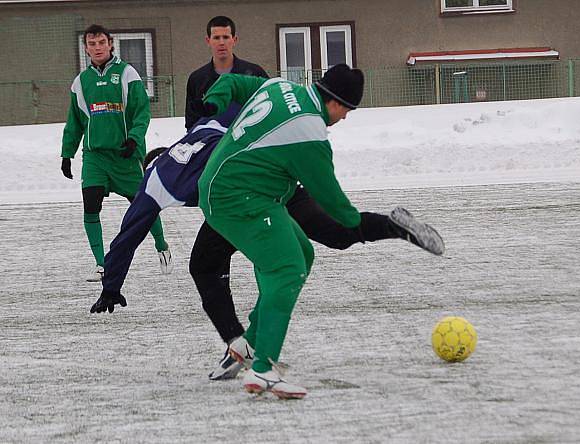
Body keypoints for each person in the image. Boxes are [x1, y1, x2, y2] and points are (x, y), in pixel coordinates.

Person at [89, 97, 443, 390]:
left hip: (238, 202)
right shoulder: (201, 130)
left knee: (209, 265)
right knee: (336, 233)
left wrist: (111, 285)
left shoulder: (153, 183)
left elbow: (127, 236)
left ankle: (240, 344)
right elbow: (247, 111)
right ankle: (394, 226)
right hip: (274, 181)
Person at [197, 65, 445, 399]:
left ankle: (252, 343)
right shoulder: (310, 133)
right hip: (237, 197)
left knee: (302, 253)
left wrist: (215, 99)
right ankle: (264, 370)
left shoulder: (280, 86)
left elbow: (232, 82)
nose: (344, 118)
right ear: (336, 101)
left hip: (241, 189)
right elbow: (336, 205)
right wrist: (365, 222)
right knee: (287, 269)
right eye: (347, 110)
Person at [60, 24, 171, 282]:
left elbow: (141, 112)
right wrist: (67, 153)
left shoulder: (127, 74)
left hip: (124, 156)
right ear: (86, 48)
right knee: (90, 207)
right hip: (95, 157)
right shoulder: (81, 82)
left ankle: (162, 245)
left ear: (110, 44)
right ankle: (101, 264)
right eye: (92, 43)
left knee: (144, 206)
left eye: (101, 42)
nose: (97, 47)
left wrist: (133, 140)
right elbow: (74, 121)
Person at [185, 16, 268, 130]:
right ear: (208, 41)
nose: (221, 42)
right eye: (216, 38)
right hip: (213, 144)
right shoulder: (197, 79)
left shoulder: (255, 73)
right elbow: (191, 124)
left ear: (234, 40)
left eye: (226, 37)